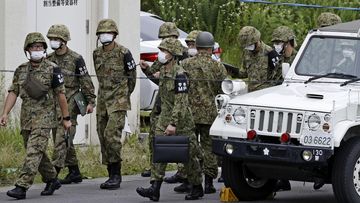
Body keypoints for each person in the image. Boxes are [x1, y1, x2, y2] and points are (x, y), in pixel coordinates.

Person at [0, 32, 71, 199]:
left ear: (44, 49)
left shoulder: (53, 69)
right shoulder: (21, 70)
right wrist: (4, 113)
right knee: (37, 152)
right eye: (33, 47)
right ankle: (52, 179)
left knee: (33, 151)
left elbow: (61, 95)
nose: (37, 49)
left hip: (45, 119)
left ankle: (21, 186)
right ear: (27, 50)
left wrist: (66, 119)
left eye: (39, 46)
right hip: (27, 120)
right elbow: (13, 92)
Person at [136, 38, 203, 201]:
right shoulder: (164, 69)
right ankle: (154, 187)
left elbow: (181, 102)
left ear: (172, 55)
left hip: (181, 120)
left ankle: (197, 186)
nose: (161, 53)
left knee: (188, 155)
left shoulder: (180, 74)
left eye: (164, 51)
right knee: (159, 151)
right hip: (164, 116)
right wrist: (146, 69)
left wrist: (173, 124)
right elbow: (153, 74)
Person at [46, 24, 96, 184]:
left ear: (64, 41)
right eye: (51, 38)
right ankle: (74, 171)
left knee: (62, 137)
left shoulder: (76, 58)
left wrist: (91, 101)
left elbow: (86, 80)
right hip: (54, 104)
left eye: (56, 39)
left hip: (71, 102)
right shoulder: (49, 59)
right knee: (61, 137)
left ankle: (53, 175)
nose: (53, 41)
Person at [180, 31, 228, 194]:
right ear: (211, 48)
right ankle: (209, 183)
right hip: (210, 113)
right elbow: (222, 89)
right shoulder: (218, 66)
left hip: (191, 113)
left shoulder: (186, 64)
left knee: (192, 148)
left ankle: (193, 182)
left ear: (198, 46)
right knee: (209, 148)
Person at [139, 22, 187, 184]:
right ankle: (156, 171)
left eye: (169, 37)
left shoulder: (183, 54)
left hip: (180, 100)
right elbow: (154, 73)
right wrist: (146, 68)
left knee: (185, 140)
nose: (166, 41)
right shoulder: (163, 54)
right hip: (164, 98)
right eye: (163, 38)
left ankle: (186, 173)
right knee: (156, 133)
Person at [93, 19, 137, 190]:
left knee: (112, 134)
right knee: (102, 133)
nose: (105, 36)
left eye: (108, 33)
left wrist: (125, 95)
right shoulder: (96, 53)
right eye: (102, 33)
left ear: (114, 35)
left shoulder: (124, 53)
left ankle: (116, 174)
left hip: (119, 100)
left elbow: (132, 77)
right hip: (103, 99)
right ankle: (109, 170)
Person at [270, 25, 298, 191]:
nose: (277, 45)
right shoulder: (279, 59)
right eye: (275, 42)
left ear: (289, 43)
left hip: (294, 106)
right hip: (279, 104)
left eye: (280, 42)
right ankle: (280, 178)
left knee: (287, 141)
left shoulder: (299, 58)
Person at [238, 26, 273, 91]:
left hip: (265, 93)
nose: (249, 48)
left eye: (250, 45)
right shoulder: (246, 52)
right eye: (246, 46)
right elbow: (243, 73)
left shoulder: (270, 52)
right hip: (250, 93)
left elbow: (276, 78)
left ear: (257, 41)